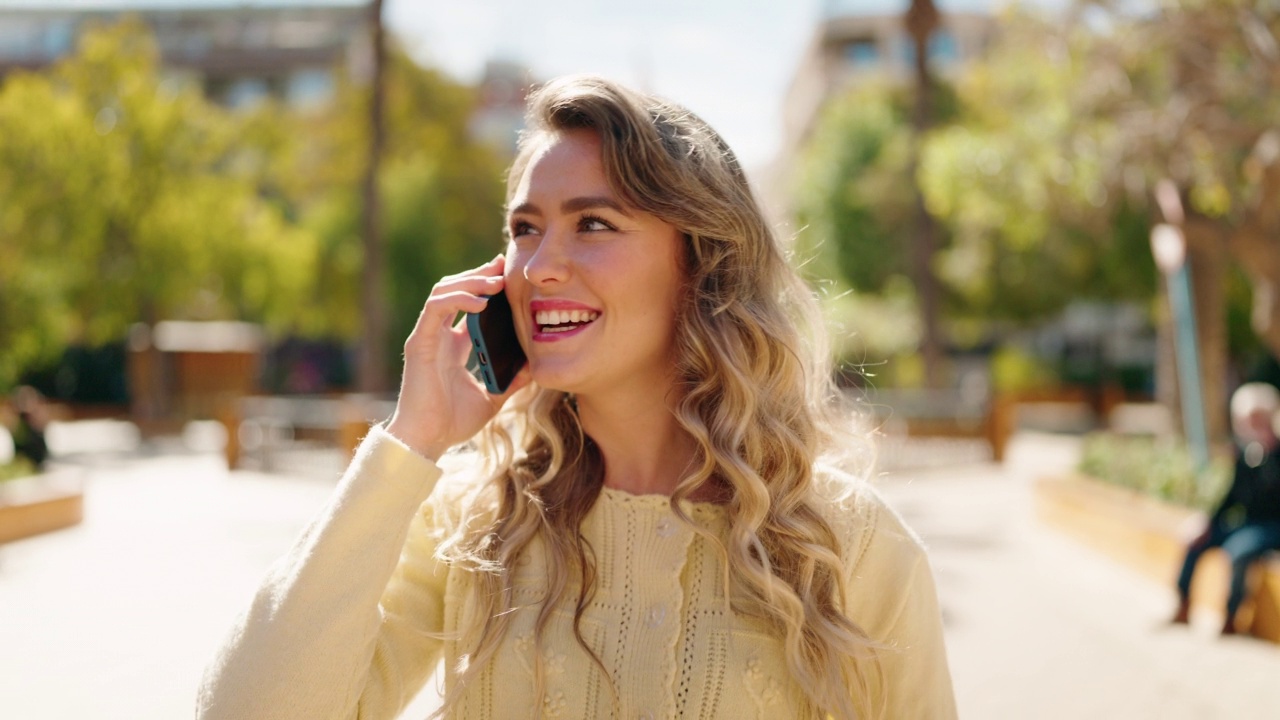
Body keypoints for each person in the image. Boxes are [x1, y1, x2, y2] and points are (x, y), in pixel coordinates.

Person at [197, 76, 955, 719]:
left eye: (593, 223)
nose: (540, 267)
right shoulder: (470, 524)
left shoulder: (848, 544)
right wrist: (411, 444)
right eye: (525, 229)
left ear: (699, 265)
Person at [1172, 382, 1280, 635]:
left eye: (1256, 419)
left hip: (1272, 527)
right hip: (1247, 524)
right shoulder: (1246, 453)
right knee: (1196, 540)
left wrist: (1268, 453)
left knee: (1238, 550)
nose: (1249, 426)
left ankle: (1231, 618)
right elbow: (1231, 497)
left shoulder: (1274, 454)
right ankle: (1183, 605)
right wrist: (1207, 522)